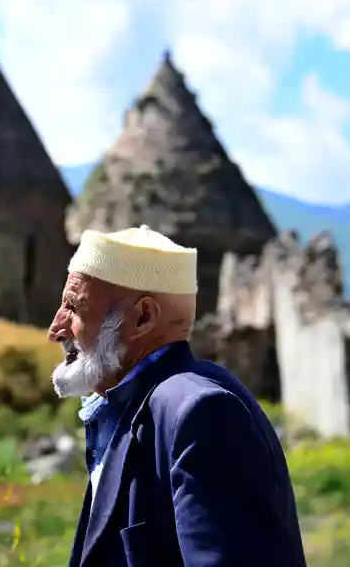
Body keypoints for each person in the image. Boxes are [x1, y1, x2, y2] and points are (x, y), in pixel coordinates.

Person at [48, 225, 307, 567]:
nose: (55, 329)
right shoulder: (130, 403)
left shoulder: (201, 414)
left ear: (143, 317)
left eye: (75, 308)